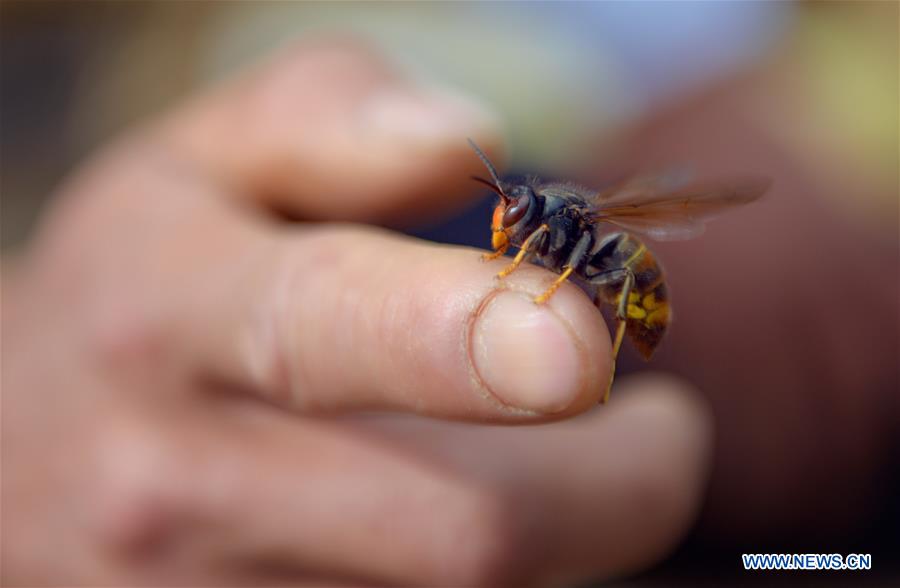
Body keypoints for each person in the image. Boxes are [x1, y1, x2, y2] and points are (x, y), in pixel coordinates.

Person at [1, 41, 711, 586]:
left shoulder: (568, 221)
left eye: (515, 217)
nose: (507, 224)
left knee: (609, 285)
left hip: (636, 301)